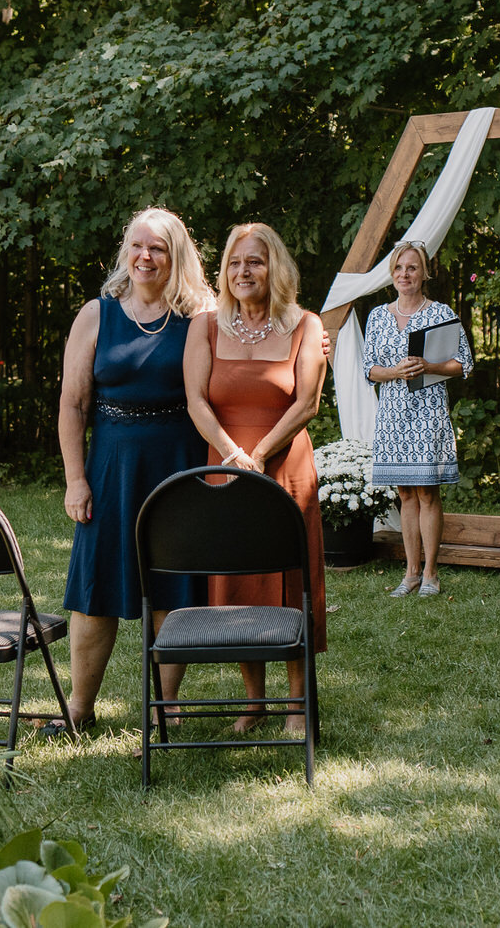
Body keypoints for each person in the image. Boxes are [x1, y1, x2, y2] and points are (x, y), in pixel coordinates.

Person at [55, 208, 215, 734]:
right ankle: (80, 708)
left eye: (159, 249)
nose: (146, 257)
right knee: (94, 588)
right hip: (110, 466)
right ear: (126, 250)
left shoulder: (201, 316)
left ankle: (164, 707)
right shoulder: (96, 315)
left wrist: (312, 339)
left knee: (170, 586)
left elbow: (261, 333)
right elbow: (73, 405)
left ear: (176, 257)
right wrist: (76, 479)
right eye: (138, 246)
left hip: (177, 464)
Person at [183, 222, 326, 733]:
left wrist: (261, 453)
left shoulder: (305, 325)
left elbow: (306, 401)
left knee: (289, 578)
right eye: (236, 262)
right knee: (239, 579)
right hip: (226, 467)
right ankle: (253, 701)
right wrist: (231, 454)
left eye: (256, 261)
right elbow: (196, 399)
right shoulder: (205, 325)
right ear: (224, 271)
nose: (244, 271)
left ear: (275, 267)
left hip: (284, 465)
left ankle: (296, 702)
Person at [362, 241, 473, 598]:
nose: (404, 274)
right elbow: (370, 369)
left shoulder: (441, 313)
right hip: (392, 414)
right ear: (391, 274)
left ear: (425, 273)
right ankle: (409, 574)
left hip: (428, 411)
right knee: (404, 493)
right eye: (398, 268)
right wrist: (394, 371)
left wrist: (430, 366)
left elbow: (463, 363)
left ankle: (430, 574)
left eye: (412, 268)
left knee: (427, 491)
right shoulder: (378, 316)